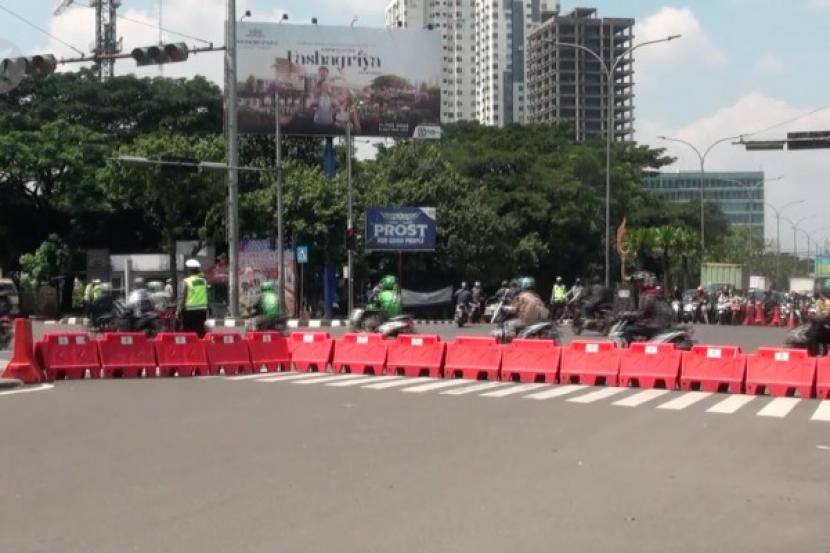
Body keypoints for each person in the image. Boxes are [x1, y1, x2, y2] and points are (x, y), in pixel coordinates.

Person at [623, 275, 673, 344]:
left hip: (653, 324)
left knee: (627, 330)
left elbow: (642, 313)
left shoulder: (648, 295)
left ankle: (631, 350)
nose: (637, 284)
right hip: (660, 323)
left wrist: (627, 314)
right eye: (636, 282)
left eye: (639, 282)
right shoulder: (655, 293)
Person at [177, 259, 209, 337]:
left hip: (189, 311)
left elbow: (182, 297)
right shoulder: (204, 281)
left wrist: (178, 311)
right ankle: (201, 347)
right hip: (202, 310)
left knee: (189, 333)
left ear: (189, 270)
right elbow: (206, 294)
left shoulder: (186, 281)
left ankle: (191, 349)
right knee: (200, 331)